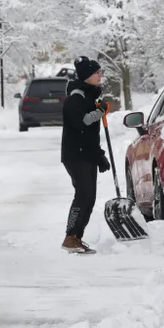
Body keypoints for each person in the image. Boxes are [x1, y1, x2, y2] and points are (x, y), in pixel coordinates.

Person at [60, 57, 110, 254]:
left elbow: (90, 135)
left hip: (87, 154)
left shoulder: (89, 96)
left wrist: (99, 155)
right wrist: (100, 112)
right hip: (75, 155)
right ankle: (70, 236)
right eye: (97, 72)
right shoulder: (76, 97)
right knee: (83, 195)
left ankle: (77, 237)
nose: (100, 76)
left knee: (90, 197)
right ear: (87, 76)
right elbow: (81, 123)